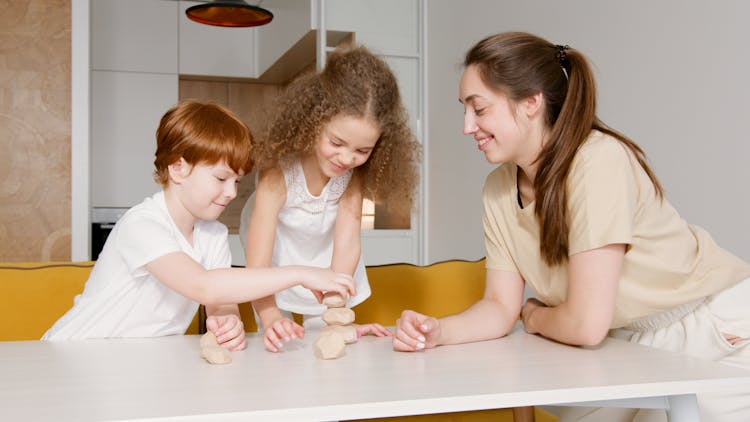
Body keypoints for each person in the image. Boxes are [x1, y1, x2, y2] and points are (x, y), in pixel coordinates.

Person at [393, 32, 750, 421]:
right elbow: (499, 306)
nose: (467, 126)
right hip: (624, 341)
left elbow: (585, 324)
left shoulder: (598, 162)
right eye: (464, 109)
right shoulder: (497, 189)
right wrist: (438, 331)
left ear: (531, 102)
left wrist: (534, 316)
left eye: (479, 109)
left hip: (708, 327)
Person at [43, 100, 356, 350]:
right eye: (221, 178)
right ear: (178, 168)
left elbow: (219, 302)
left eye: (236, 181)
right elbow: (203, 285)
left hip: (137, 362)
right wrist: (301, 273)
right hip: (74, 353)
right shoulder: (141, 225)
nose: (232, 192)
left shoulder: (213, 236)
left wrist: (228, 323)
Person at [239, 45, 419, 352]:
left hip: (320, 234)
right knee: (275, 315)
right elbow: (259, 265)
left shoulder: (352, 176)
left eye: (362, 151)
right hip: (272, 236)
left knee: (323, 310)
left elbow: (347, 243)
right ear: (312, 121)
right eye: (337, 142)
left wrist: (338, 318)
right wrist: (270, 318)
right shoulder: (277, 176)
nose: (347, 158)